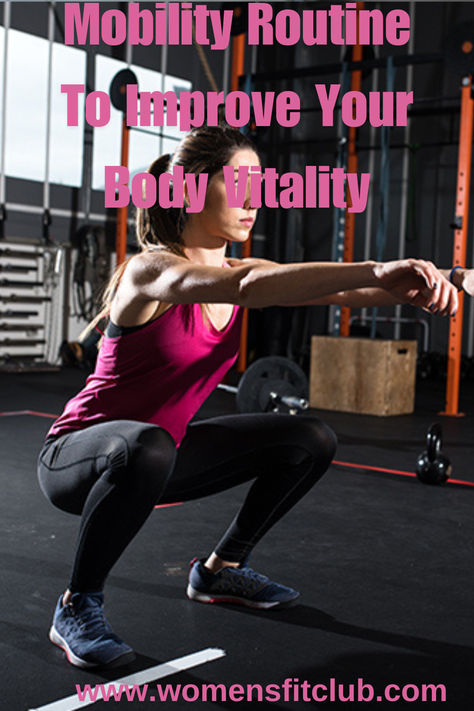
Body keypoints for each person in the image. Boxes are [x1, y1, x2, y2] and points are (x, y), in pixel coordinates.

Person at [37, 124, 466, 670]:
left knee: (309, 438)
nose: (252, 199)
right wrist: (380, 270)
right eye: (237, 182)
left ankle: (219, 570)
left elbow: (335, 287)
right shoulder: (150, 270)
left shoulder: (241, 269)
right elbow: (247, 290)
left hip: (160, 452)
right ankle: (77, 606)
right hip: (78, 459)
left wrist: (414, 283)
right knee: (145, 446)